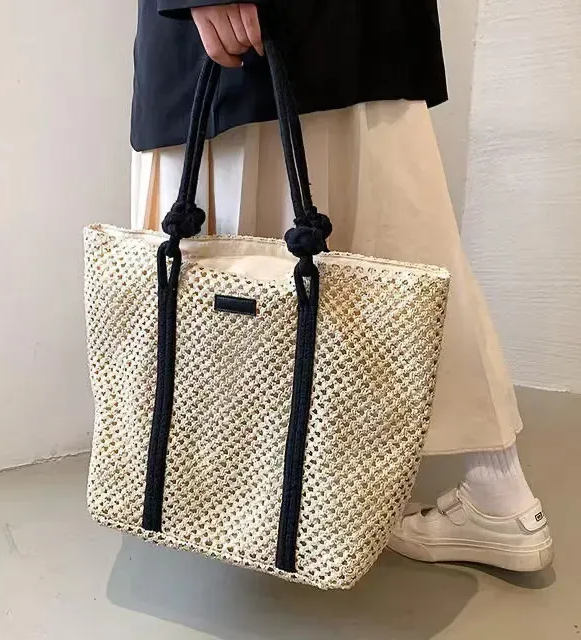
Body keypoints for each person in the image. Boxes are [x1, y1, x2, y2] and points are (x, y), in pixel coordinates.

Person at [130, 0, 553, 572]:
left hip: (269, 27)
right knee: (403, 254)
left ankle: (245, 499)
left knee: (219, 273)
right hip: (359, 27)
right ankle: (497, 491)